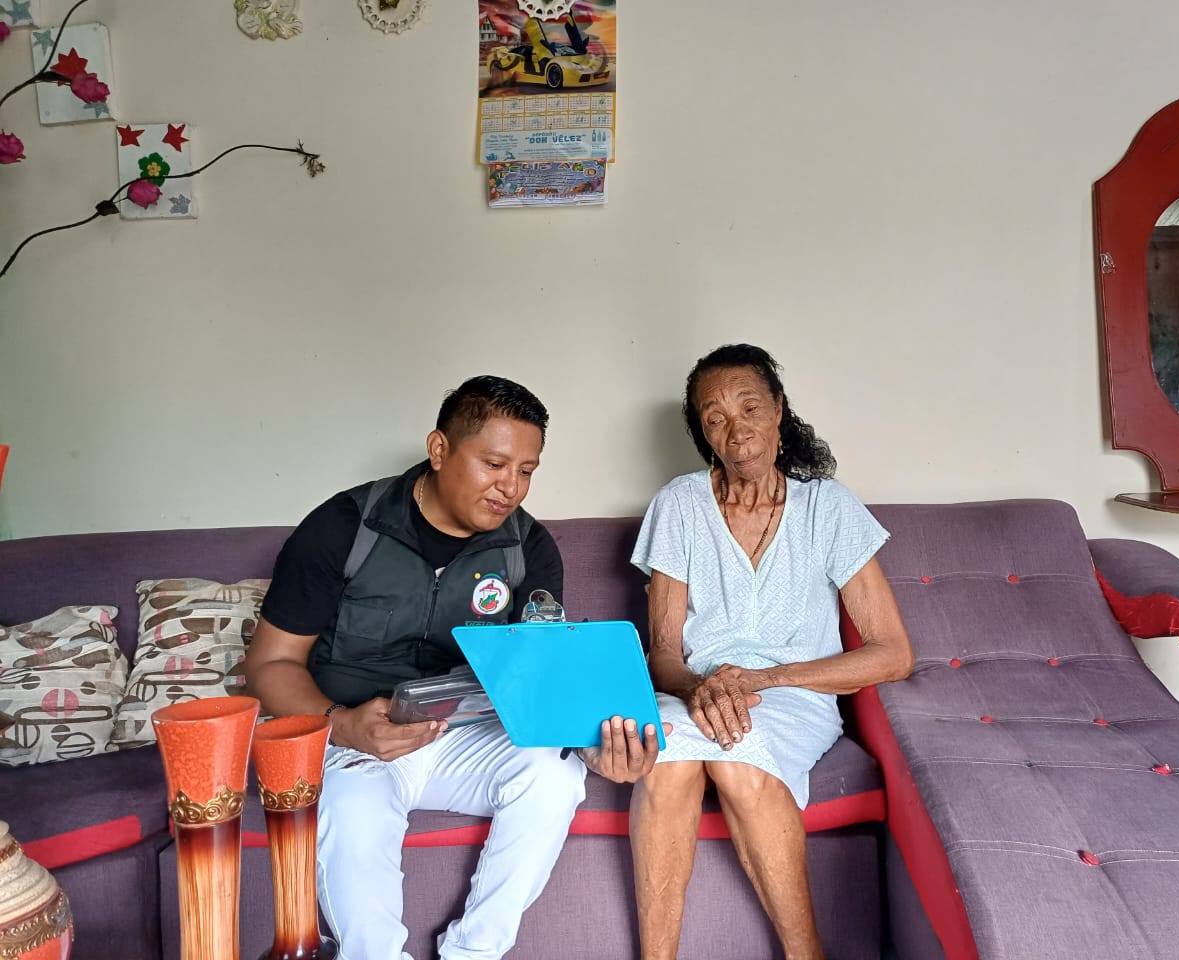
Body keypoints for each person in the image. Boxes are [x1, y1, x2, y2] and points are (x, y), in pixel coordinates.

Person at [245, 375, 662, 960]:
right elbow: (270, 664)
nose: (510, 488)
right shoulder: (344, 528)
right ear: (439, 449)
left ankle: (473, 953)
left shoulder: (527, 549)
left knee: (555, 776)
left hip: (467, 735)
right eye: (494, 464)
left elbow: (542, 684)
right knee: (353, 804)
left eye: (526, 470)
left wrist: (596, 750)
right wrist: (342, 724)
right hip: (355, 737)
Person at [629, 345, 915, 960]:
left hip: (793, 696)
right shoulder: (679, 504)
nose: (736, 431)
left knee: (739, 762)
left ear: (779, 409)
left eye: (750, 407)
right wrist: (701, 688)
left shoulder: (827, 506)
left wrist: (769, 677)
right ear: (703, 433)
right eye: (715, 418)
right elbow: (664, 654)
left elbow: (893, 653)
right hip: (696, 693)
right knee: (664, 764)